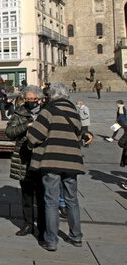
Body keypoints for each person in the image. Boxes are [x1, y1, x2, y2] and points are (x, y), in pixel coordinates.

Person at [26, 83, 85, 252]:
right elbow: (79, 134)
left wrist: (31, 138)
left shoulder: (48, 111)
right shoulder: (74, 112)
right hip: (72, 162)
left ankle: (51, 240)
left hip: (52, 160)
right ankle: (76, 236)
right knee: (72, 199)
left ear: (51, 95)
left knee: (51, 201)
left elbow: (36, 136)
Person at [6, 87, 46, 238]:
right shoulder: (20, 112)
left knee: (42, 195)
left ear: (39, 99)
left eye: (33, 99)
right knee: (27, 195)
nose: (30, 102)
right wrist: (26, 126)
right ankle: (28, 224)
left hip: (42, 158)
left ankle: (43, 227)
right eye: (27, 99)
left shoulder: (46, 112)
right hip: (24, 158)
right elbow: (9, 132)